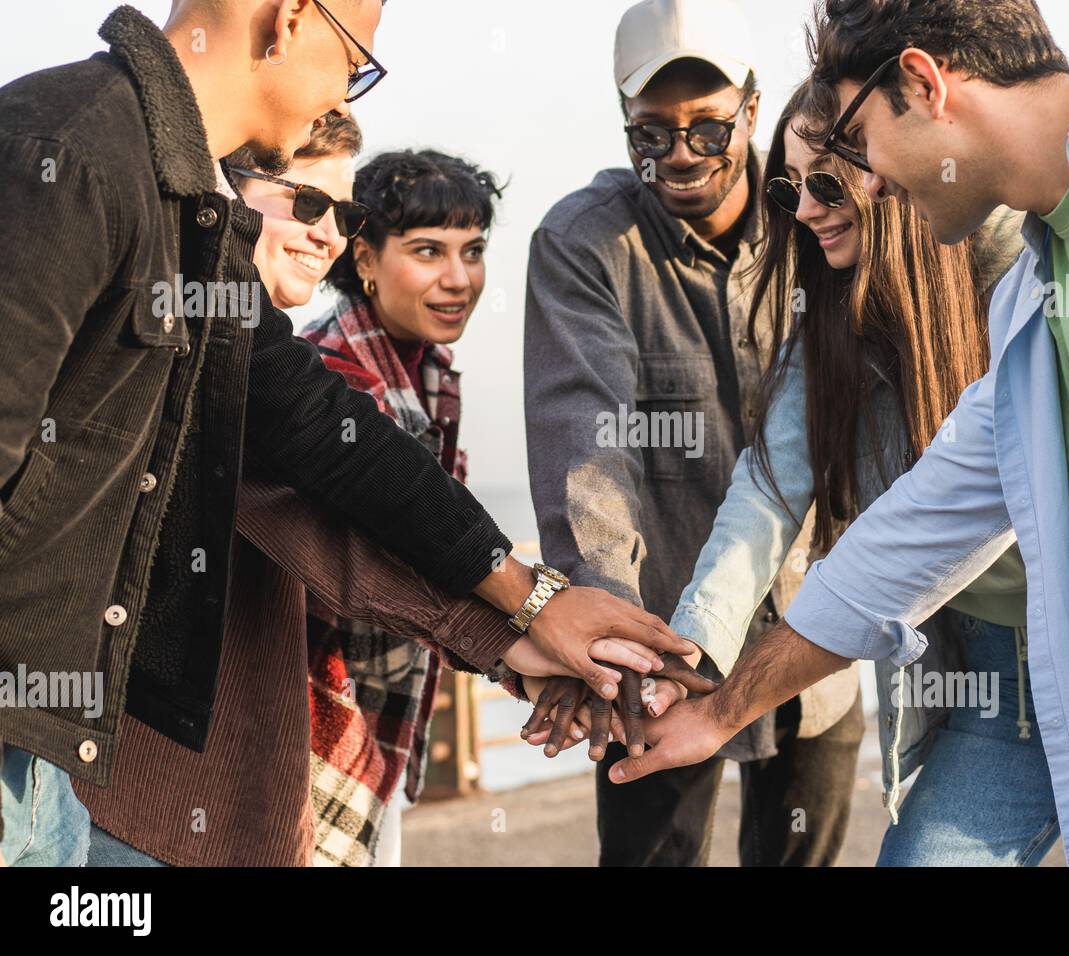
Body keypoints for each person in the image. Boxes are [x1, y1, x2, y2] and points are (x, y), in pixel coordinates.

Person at [0, 0, 692, 867]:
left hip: (49, 759)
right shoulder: (62, 145)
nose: (343, 90)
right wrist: (527, 622)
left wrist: (527, 617)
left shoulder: (186, 218)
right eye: (355, 59)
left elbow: (320, 435)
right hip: (106, 770)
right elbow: (315, 515)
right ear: (289, 20)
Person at [611, 0, 1069, 868]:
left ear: (926, 86)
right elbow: (896, 544)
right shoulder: (1032, 315)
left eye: (855, 153)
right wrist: (713, 704)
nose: (859, 185)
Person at [659, 79, 1058, 866]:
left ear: (889, 168)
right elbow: (767, 491)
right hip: (990, 684)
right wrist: (693, 651)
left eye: (829, 183)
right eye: (789, 188)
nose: (804, 210)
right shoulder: (830, 322)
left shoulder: (1022, 265)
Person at [523, 0, 864, 867]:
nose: (679, 155)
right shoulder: (582, 243)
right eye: (653, 132)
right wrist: (614, 650)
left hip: (811, 640)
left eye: (708, 130)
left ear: (753, 110)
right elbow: (588, 453)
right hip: (663, 657)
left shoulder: (814, 217)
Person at [299, 148, 506, 866]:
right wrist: (527, 635)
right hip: (311, 725)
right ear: (364, 255)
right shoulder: (334, 375)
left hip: (377, 716)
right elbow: (385, 569)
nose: (459, 278)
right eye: (427, 251)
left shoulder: (428, 376)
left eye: (472, 251)